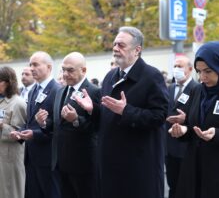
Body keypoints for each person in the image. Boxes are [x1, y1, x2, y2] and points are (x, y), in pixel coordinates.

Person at [75, 26, 169, 198]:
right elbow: (107, 116)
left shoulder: (151, 76)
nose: (115, 48)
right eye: (114, 44)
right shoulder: (110, 76)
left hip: (137, 163)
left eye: (121, 45)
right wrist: (92, 110)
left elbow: (159, 116)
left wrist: (127, 111)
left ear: (137, 50)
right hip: (110, 162)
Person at [36, 52, 100, 198]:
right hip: (61, 162)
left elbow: (97, 127)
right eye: (63, 69)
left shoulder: (94, 92)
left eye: (70, 70)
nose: (65, 74)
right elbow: (58, 125)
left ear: (83, 70)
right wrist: (44, 123)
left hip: (83, 163)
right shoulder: (60, 91)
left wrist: (76, 120)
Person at [169, 41, 219, 198]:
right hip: (193, 168)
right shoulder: (198, 91)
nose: (202, 77)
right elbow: (192, 125)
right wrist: (183, 130)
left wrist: (217, 134)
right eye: (199, 71)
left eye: (208, 71)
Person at [11, 51, 61, 198]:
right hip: (31, 157)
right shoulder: (33, 90)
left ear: (49, 67)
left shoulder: (57, 90)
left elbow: (57, 127)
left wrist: (35, 133)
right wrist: (20, 133)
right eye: (30, 64)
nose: (32, 68)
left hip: (47, 157)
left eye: (36, 64)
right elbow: (30, 121)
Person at [165, 55, 198, 198]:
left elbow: (200, 116)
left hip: (186, 146)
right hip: (169, 147)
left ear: (190, 69)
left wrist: (186, 119)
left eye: (180, 66)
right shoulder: (170, 88)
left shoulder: (197, 88)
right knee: (173, 186)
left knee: (187, 187)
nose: (176, 69)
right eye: (174, 66)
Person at [0, 66, 27, 198]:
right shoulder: (1, 101)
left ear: (7, 82)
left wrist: (2, 126)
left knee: (11, 192)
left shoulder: (18, 103)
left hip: (10, 157)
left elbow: (21, 134)